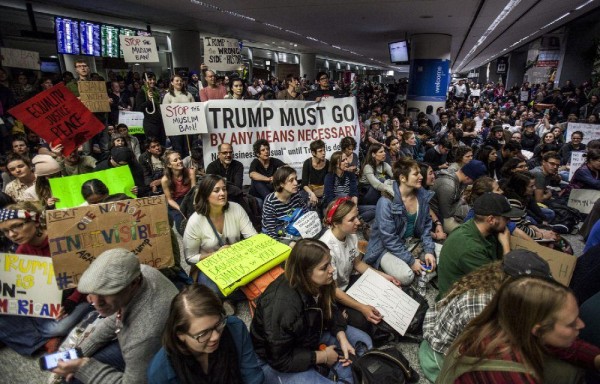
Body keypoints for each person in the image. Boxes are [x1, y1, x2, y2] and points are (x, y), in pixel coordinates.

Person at [250, 238, 373, 383]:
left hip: (309, 337)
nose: (332, 270)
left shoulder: (319, 281)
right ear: (305, 272)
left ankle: (329, 371)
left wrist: (342, 338)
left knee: (365, 343)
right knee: (356, 368)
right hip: (274, 361)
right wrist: (322, 357)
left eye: (330, 263)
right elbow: (280, 359)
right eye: (324, 267)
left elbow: (330, 308)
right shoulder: (282, 306)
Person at [420, 251, 554, 382]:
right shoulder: (483, 306)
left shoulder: (492, 281)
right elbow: (479, 354)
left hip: (447, 339)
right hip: (438, 358)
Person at [438, 277, 600, 383]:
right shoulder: (513, 378)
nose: (581, 325)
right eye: (571, 324)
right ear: (538, 330)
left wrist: (595, 358)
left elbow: (564, 347)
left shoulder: (503, 323)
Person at [53, 248, 179, 384]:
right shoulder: (141, 271)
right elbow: (115, 318)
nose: (96, 302)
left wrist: (83, 367)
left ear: (134, 283)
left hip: (158, 355)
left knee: (73, 379)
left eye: (107, 293)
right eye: (93, 292)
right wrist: (80, 351)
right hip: (149, 340)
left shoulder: (143, 336)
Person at [0, 202, 91, 356]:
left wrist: (72, 301)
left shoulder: (61, 238)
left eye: (17, 226)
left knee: (54, 329)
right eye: (6, 231)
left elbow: (88, 274)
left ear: (34, 221)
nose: (12, 235)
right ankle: (39, 337)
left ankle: (40, 335)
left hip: (79, 295)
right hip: (52, 299)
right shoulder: (22, 250)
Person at [147, 284, 264, 384]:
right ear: (180, 334)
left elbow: (253, 378)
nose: (216, 336)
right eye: (203, 334)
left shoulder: (235, 328)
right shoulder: (160, 372)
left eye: (218, 324)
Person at [320, 198, 400, 336]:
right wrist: (362, 307)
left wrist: (384, 276)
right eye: (352, 219)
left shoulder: (351, 236)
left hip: (347, 284)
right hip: (332, 294)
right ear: (336, 223)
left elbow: (358, 264)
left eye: (356, 216)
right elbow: (332, 290)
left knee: (384, 292)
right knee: (366, 320)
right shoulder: (327, 248)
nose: (358, 222)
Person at [364, 158, 437, 285]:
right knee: (407, 276)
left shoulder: (422, 196)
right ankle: (384, 265)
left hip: (411, 242)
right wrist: (411, 261)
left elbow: (426, 226)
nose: (421, 176)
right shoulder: (386, 202)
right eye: (416, 174)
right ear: (403, 178)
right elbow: (389, 239)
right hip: (385, 248)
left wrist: (429, 251)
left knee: (440, 258)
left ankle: (419, 262)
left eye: (420, 173)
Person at [437, 192, 521, 298]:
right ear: (491, 220)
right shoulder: (470, 247)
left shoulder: (484, 230)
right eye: (506, 218)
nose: (509, 222)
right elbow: (499, 284)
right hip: (457, 303)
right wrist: (506, 247)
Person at [183, 175, 256, 284]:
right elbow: (190, 258)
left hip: (237, 260)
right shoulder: (195, 221)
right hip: (211, 266)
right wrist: (216, 255)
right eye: (216, 191)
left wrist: (236, 250)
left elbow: (253, 238)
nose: (222, 193)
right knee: (213, 287)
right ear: (206, 195)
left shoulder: (236, 208)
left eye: (224, 189)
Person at [430, 160, 488, 234]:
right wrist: (461, 200)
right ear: (467, 178)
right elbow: (446, 214)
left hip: (448, 209)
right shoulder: (448, 186)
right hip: (439, 216)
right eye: (473, 181)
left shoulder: (459, 179)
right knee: (468, 232)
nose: (472, 184)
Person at [261, 166, 311, 244]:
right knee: (295, 246)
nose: (296, 183)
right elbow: (271, 232)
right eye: (291, 180)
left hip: (291, 228)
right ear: (281, 184)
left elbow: (307, 214)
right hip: (277, 234)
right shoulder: (270, 202)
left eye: (296, 179)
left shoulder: (296, 195)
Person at [161, 150, 196, 231]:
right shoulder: (165, 180)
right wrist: (181, 209)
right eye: (175, 160)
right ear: (169, 165)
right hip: (175, 203)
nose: (180, 161)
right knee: (180, 224)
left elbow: (194, 192)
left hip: (188, 199)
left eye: (180, 159)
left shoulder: (190, 172)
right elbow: (169, 200)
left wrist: (192, 206)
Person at [162, 75, 195, 155]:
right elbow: (165, 114)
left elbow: (195, 109)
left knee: (188, 148)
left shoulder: (188, 94)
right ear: (172, 83)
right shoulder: (168, 96)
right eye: (177, 81)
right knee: (178, 149)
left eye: (181, 81)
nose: (179, 82)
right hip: (175, 129)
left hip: (188, 127)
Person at [135, 72, 166, 146]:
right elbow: (139, 108)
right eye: (150, 79)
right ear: (144, 80)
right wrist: (149, 100)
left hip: (160, 122)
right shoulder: (141, 92)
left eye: (154, 79)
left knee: (162, 144)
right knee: (153, 145)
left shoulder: (157, 91)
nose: (152, 81)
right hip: (150, 124)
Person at [419, 162, 447, 241]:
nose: (434, 176)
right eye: (430, 173)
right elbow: (417, 228)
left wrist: (438, 223)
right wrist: (436, 236)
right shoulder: (414, 196)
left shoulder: (424, 191)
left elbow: (426, 206)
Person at [302, 139, 329, 207]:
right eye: (320, 151)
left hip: (324, 193)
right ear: (313, 153)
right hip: (312, 192)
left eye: (324, 150)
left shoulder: (328, 163)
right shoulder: (307, 163)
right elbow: (304, 184)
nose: (323, 153)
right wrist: (312, 194)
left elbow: (330, 182)